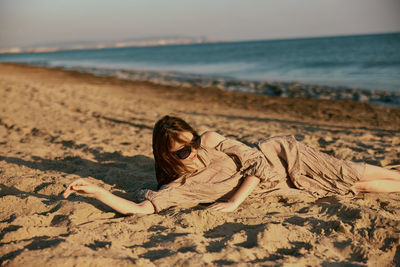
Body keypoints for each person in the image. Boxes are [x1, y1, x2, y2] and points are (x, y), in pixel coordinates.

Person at [63, 115, 400, 215]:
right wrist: (97, 191)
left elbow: (256, 161)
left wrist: (233, 201)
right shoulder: (179, 188)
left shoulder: (209, 139)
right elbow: (138, 209)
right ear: (166, 156)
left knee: (350, 172)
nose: (194, 152)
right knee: (357, 188)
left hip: (283, 156)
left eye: (192, 143)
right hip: (284, 186)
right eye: (183, 152)